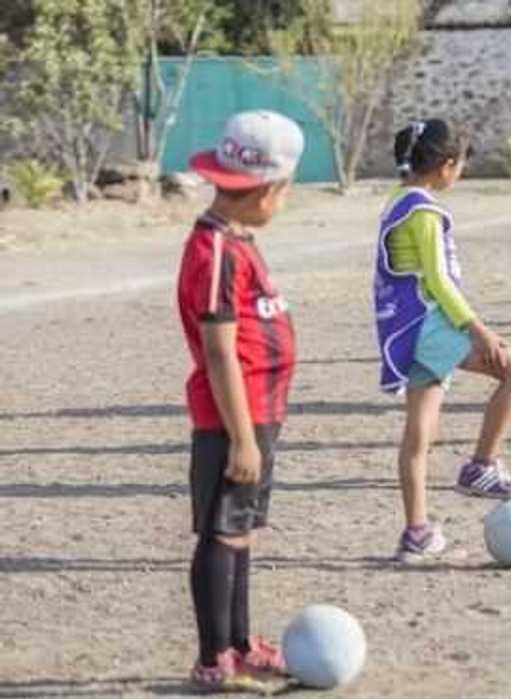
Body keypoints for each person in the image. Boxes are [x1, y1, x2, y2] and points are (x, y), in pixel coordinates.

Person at [178, 110, 304, 689]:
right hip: (233, 421)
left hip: (260, 416)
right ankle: (213, 660)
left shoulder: (237, 240)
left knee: (242, 531)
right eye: (285, 191)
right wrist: (244, 438)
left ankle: (240, 643)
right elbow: (221, 351)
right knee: (221, 533)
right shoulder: (213, 251)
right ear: (264, 190)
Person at [374, 119, 511, 563]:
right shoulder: (422, 211)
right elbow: (439, 281)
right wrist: (478, 330)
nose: (460, 172)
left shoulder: (398, 199)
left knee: (418, 436)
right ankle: (481, 467)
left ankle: (417, 532)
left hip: (409, 328)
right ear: (445, 166)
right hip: (430, 326)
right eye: (461, 164)